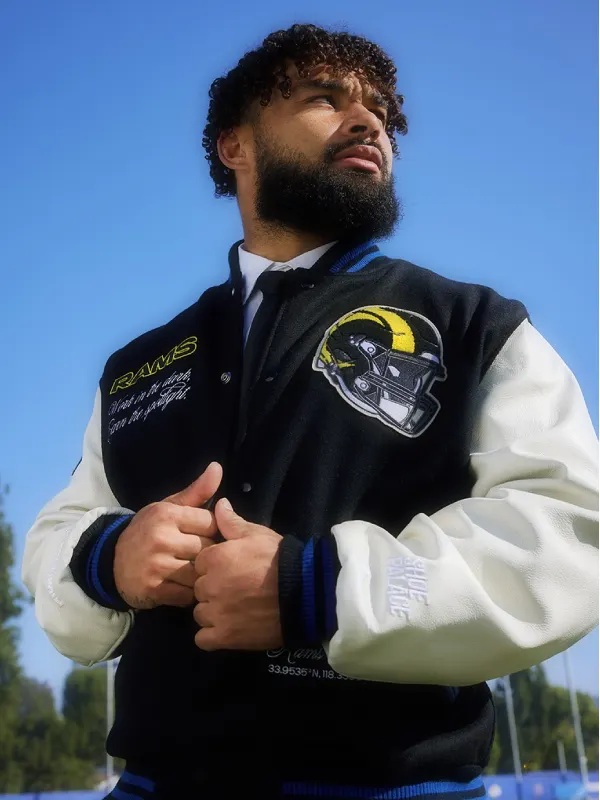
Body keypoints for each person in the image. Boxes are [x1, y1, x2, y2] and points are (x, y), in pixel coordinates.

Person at [22, 23, 598, 800]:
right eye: (326, 99)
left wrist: (317, 588)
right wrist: (111, 558)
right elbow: (58, 535)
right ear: (235, 145)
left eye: (382, 114)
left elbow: (566, 538)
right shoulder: (136, 367)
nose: (369, 123)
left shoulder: (475, 328)